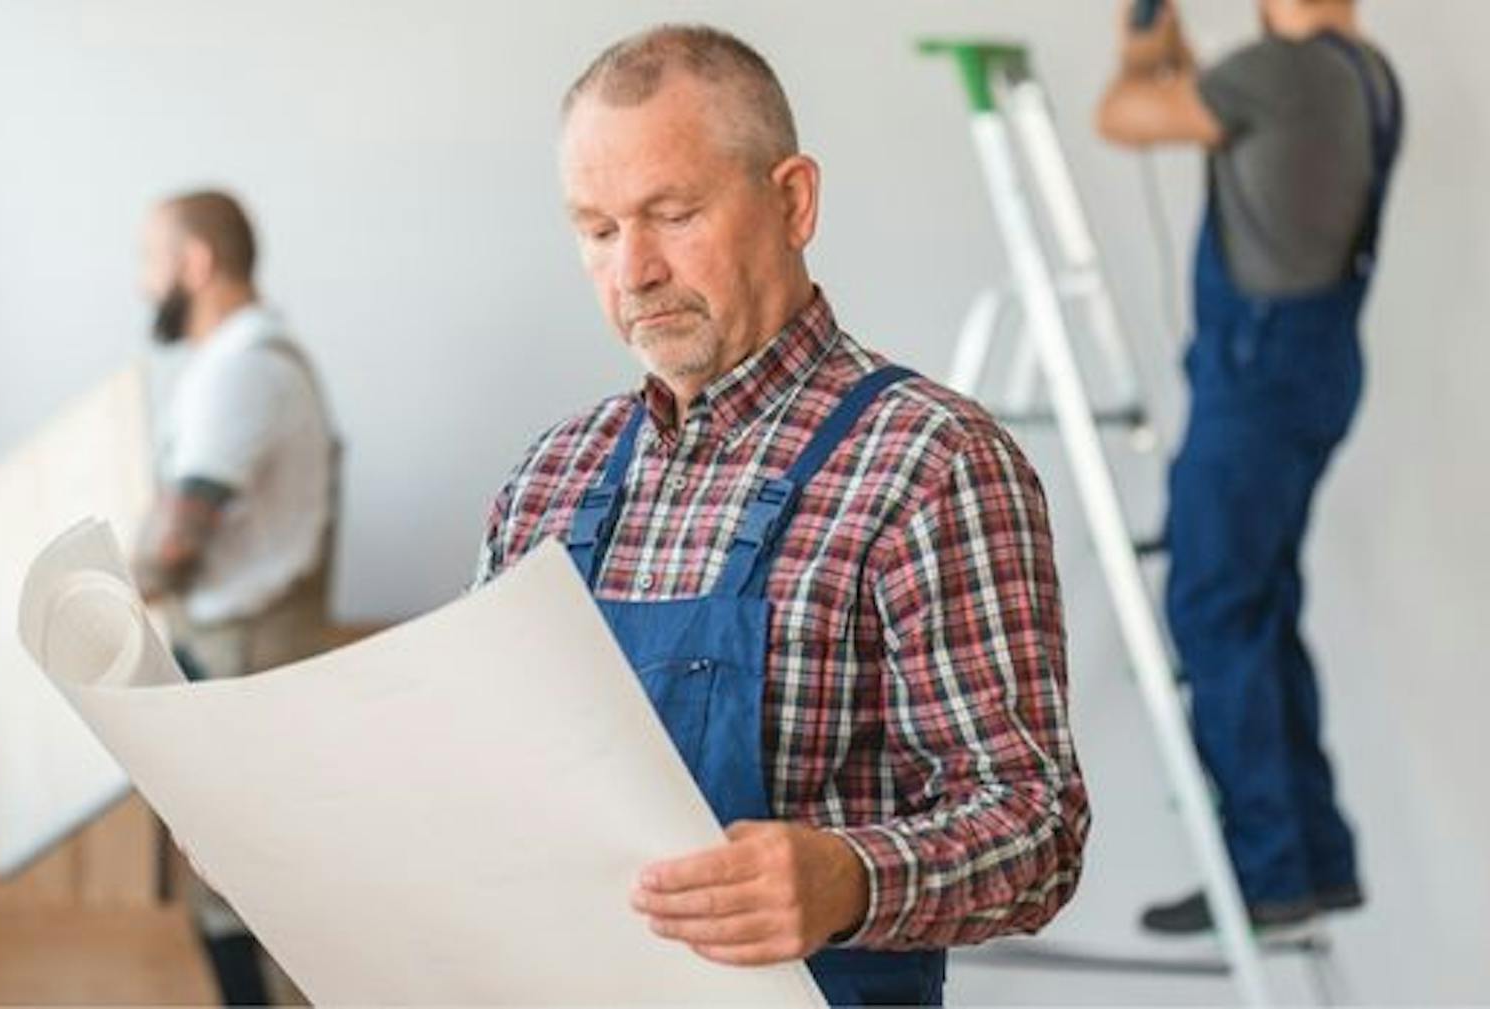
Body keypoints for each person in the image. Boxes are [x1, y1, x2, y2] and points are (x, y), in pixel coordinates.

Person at [474, 25, 1088, 1006]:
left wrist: (851, 877)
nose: (633, 271)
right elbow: (479, 778)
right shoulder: (549, 478)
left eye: (671, 214)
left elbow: (1036, 826)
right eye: (597, 230)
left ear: (793, 200)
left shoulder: (929, 462)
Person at [1097, 0, 1397, 936]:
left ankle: (1267, 869)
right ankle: (1314, 855)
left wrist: (1137, 45)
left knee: (1215, 608)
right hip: (1315, 364)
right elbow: (1206, 104)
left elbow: (1123, 116)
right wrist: (1171, 57)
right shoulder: (1363, 72)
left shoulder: (1273, 75)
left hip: (1256, 381)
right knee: (1259, 604)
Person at [133, 189, 337, 1004]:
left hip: (244, 657)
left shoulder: (244, 369)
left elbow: (178, 541)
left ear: (196, 262)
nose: (144, 284)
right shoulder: (228, 363)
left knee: (252, 896)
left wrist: (94, 597)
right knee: (226, 893)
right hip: (224, 653)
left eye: (150, 262)